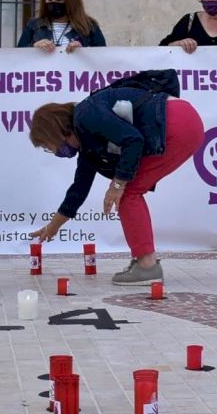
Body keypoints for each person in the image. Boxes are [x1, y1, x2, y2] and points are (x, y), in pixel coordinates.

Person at [28, 74, 205, 286]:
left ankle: (147, 266)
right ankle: (144, 261)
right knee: (128, 190)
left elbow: (133, 140)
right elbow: (78, 190)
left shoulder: (87, 114)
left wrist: (118, 184)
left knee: (127, 192)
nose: (55, 151)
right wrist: (53, 227)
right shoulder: (87, 142)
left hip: (176, 123)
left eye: (49, 146)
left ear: (56, 132)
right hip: (182, 122)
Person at [17, 0, 107, 51]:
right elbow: (17, 57)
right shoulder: (33, 26)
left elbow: (102, 58)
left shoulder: (90, 27)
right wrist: (33, 47)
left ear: (70, 0)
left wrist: (84, 50)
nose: (53, 2)